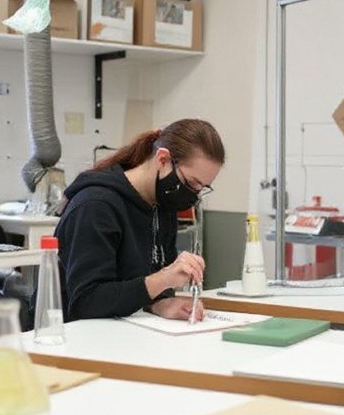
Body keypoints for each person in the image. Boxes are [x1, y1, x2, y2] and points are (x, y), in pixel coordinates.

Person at [55, 119, 225, 322]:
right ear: (162, 159)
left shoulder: (163, 205)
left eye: (202, 188)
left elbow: (140, 290)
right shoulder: (95, 206)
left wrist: (160, 304)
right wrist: (163, 279)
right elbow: (86, 302)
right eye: (190, 183)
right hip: (72, 333)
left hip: (125, 331)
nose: (193, 196)